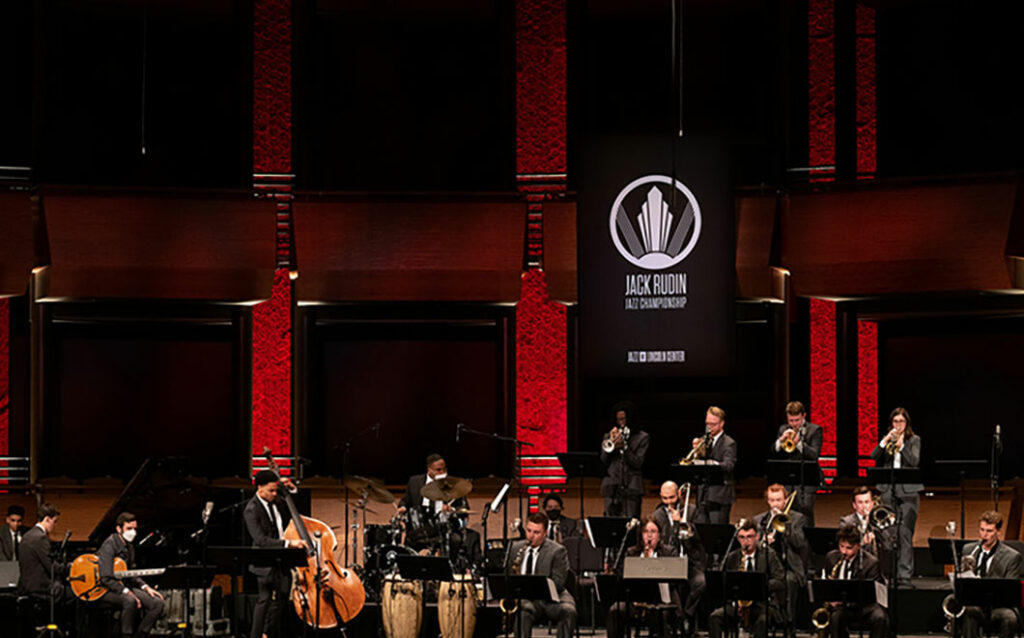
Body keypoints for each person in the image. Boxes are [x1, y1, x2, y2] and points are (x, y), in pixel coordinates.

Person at [243, 470, 307, 638]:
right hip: (264, 560)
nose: (274, 494)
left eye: (275, 490)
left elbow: (295, 509)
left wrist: (292, 490)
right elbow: (261, 540)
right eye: (270, 490)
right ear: (259, 488)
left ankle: (269, 633)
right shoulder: (251, 509)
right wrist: (289, 543)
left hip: (281, 559)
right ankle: (257, 635)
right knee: (264, 600)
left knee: (283, 597)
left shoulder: (276, 501)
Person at [870, 407, 922, 581]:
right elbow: (873, 456)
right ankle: (888, 573)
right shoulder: (888, 440)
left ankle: (904, 575)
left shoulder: (914, 440)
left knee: (905, 534)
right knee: (888, 533)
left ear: (906, 423)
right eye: (895, 421)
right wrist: (884, 441)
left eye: (901, 421)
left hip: (908, 492)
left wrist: (902, 447)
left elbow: (914, 462)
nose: (898, 425)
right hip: (888, 490)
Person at [606, 517, 680, 638]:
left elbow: (674, 580)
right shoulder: (632, 552)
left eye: (653, 531)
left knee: (658, 615)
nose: (649, 536)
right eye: (645, 532)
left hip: (661, 600)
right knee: (615, 611)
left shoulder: (669, 552)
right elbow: (623, 576)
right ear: (641, 535)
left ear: (659, 535)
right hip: (635, 601)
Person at [709, 518, 784, 638]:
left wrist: (759, 586)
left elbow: (780, 580)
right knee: (715, 617)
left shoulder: (768, 554)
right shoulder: (732, 557)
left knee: (762, 621)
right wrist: (734, 600)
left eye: (749, 537)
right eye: (742, 537)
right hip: (737, 605)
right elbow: (724, 582)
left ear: (757, 537)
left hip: (761, 604)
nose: (746, 541)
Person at [507, 512, 576, 638]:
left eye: (536, 532)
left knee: (568, 611)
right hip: (527, 600)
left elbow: (559, 583)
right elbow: (509, 576)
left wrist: (536, 588)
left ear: (545, 533)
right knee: (523, 610)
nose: (531, 536)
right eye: (529, 531)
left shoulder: (557, 550)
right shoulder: (515, 548)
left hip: (551, 599)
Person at [97, 512, 165, 638]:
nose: (133, 532)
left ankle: (140, 635)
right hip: (107, 589)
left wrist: (145, 587)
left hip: (125, 586)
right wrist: (127, 592)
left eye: (134, 528)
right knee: (130, 601)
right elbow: (105, 577)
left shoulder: (130, 547)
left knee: (158, 603)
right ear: (119, 529)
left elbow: (131, 573)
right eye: (129, 528)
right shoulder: (109, 545)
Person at [650, 480, 705, 635]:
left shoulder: (693, 510)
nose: (669, 503)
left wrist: (681, 522)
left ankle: (687, 615)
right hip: (669, 563)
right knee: (671, 588)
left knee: (700, 583)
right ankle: (677, 622)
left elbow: (700, 539)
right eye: (665, 499)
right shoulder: (657, 515)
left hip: (689, 561)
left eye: (672, 498)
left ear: (679, 494)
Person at [753, 484, 808, 637]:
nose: (775, 504)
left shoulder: (797, 518)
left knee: (789, 581)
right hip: (768, 567)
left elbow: (799, 543)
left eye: (778, 500)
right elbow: (752, 544)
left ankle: (789, 625)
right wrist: (764, 541)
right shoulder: (761, 520)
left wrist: (787, 525)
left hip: (789, 566)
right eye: (771, 500)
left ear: (785, 500)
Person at [960, 510, 1022, 638]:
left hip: (998, 606)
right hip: (976, 604)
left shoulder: (1012, 556)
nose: (984, 535)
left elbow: (1009, 592)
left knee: (1009, 618)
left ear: (998, 532)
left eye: (989, 531)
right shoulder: (969, 550)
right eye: (982, 530)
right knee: (969, 611)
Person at [820, 525, 888, 638]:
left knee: (880, 617)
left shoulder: (871, 563)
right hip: (842, 607)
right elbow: (826, 582)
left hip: (865, 606)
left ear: (858, 546)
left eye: (849, 548)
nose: (844, 551)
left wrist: (847, 601)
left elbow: (871, 594)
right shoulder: (831, 557)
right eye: (841, 546)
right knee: (836, 617)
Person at [397, 453, 467, 551]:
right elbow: (405, 501)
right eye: (438, 470)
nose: (442, 472)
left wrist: (452, 510)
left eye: (444, 469)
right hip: (421, 526)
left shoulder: (453, 484)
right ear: (429, 470)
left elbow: (464, 509)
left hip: (444, 527)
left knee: (455, 540)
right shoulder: (414, 482)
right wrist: (402, 507)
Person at [771, 401, 823, 526]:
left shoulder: (814, 430)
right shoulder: (783, 429)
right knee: (786, 515)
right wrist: (780, 441)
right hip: (788, 480)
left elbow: (814, 454)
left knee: (805, 516)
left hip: (807, 482)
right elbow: (774, 452)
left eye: (797, 420)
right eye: (791, 420)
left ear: (804, 416)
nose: (794, 424)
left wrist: (799, 443)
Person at [600, 402, 650, 518]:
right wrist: (612, 445)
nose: (621, 423)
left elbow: (637, 463)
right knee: (609, 521)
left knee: (631, 522)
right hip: (611, 486)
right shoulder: (608, 436)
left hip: (632, 486)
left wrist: (624, 447)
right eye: (618, 420)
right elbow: (604, 461)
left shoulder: (642, 437)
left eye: (624, 419)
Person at [694, 406, 737, 524]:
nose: (709, 428)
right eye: (707, 424)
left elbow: (729, 465)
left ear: (721, 424)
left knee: (717, 533)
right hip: (703, 496)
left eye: (713, 424)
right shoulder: (703, 440)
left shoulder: (729, 443)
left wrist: (714, 464)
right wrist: (697, 453)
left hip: (719, 497)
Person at [17, 503, 65, 599]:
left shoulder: (27, 535)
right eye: (54, 521)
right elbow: (52, 567)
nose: (55, 525)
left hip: (26, 586)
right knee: (77, 595)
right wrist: (70, 568)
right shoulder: (40, 537)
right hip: (41, 588)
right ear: (47, 519)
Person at [838, 486, 894, 561]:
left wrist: (876, 525)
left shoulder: (878, 520)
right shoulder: (846, 522)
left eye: (867, 502)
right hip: (856, 563)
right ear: (854, 505)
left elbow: (888, 545)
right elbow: (847, 546)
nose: (864, 506)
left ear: (872, 503)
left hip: (878, 565)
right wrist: (862, 542)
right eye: (860, 502)